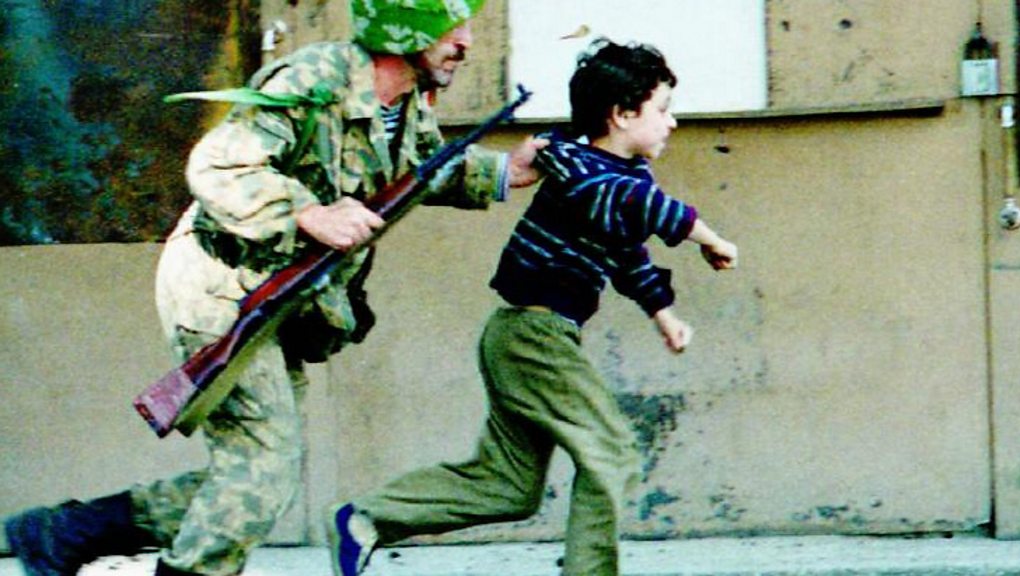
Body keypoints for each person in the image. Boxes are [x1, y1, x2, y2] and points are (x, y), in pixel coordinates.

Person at [2, 1, 545, 575]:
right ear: (405, 29)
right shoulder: (316, 79)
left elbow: (421, 168)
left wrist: (506, 171)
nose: (465, 43)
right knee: (260, 473)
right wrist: (308, 213)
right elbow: (220, 167)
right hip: (222, 287)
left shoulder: (404, 103)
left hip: (283, 297)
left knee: (262, 475)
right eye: (450, 28)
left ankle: (69, 531)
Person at [329, 37, 739, 576]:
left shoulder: (623, 179)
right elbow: (641, 206)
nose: (672, 122)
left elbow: (626, 250)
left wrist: (663, 314)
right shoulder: (577, 165)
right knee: (611, 450)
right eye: (662, 109)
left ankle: (366, 519)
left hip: (527, 336)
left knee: (508, 485)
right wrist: (710, 238)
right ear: (621, 114)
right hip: (531, 335)